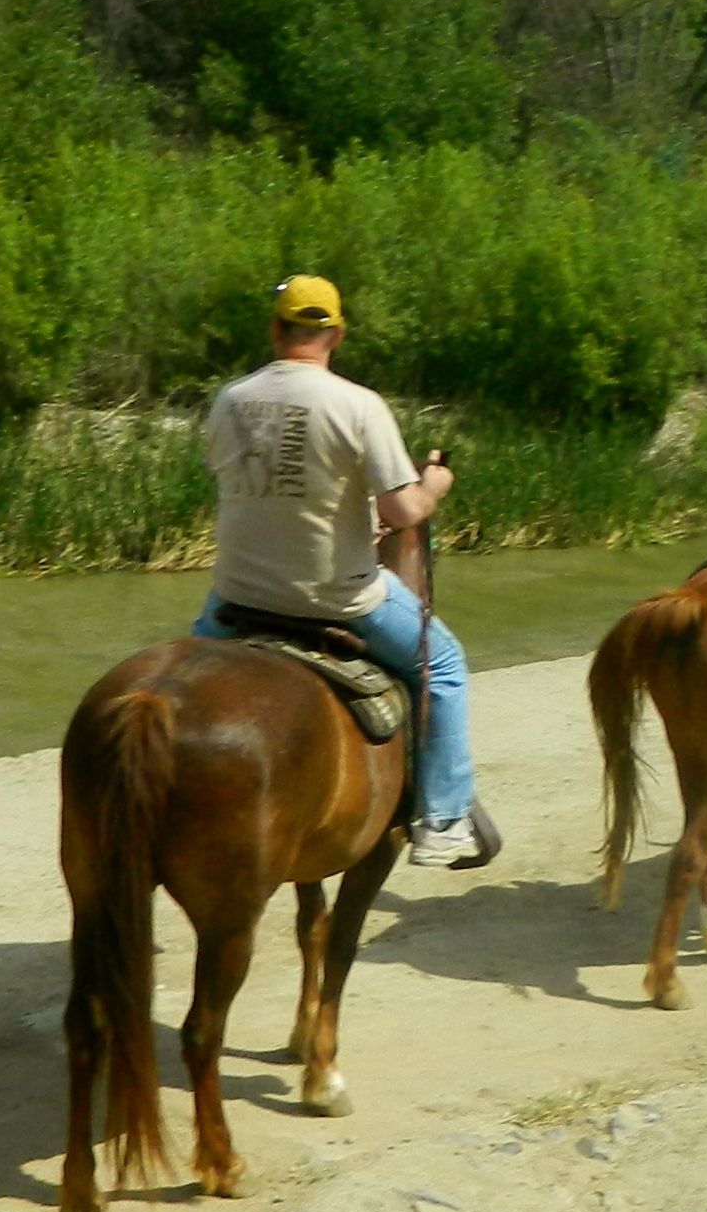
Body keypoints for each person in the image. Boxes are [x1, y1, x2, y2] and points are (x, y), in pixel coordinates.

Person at [192, 274, 494, 869]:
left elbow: (262, 487)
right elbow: (402, 510)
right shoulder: (358, 405)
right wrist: (433, 485)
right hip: (338, 601)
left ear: (276, 329)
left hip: (237, 597)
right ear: (336, 334)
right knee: (446, 664)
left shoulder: (229, 400)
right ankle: (443, 822)